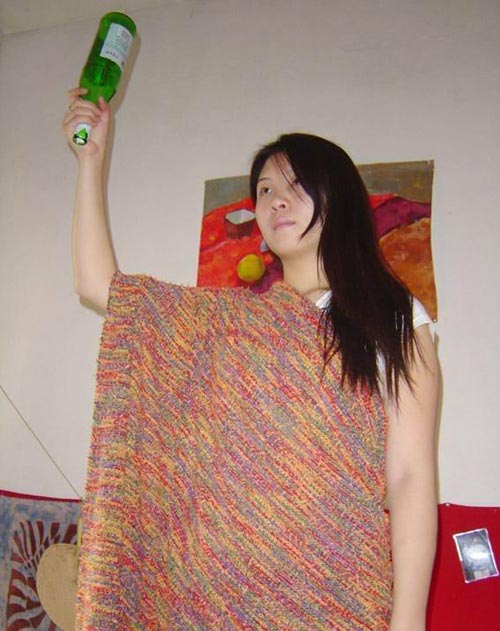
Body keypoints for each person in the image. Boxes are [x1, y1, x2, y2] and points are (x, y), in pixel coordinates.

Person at [62, 88, 440, 631]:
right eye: (264, 190)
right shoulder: (231, 324)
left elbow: (409, 477)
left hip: (338, 599)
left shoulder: (393, 318)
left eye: (295, 184)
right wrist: (90, 161)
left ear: (340, 196)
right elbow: (98, 285)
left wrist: (409, 623)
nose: (275, 200)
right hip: (213, 605)